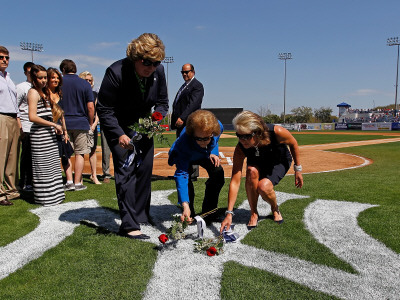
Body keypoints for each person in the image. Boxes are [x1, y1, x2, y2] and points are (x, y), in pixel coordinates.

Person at [97, 33, 168, 240]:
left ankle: (141, 215)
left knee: (144, 170)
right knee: (125, 170)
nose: (151, 67)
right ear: (135, 57)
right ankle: (128, 225)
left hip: (145, 127)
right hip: (118, 125)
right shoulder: (116, 71)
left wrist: (156, 119)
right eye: (147, 62)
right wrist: (119, 134)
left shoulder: (159, 71)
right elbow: (105, 108)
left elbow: (163, 102)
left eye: (156, 63)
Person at [220, 110, 303, 233]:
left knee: (263, 187)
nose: (242, 140)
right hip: (258, 162)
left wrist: (298, 170)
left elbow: (293, 143)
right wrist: (229, 213)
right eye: (239, 136)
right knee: (251, 171)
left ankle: (275, 208)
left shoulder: (276, 132)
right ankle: (254, 213)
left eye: (246, 136)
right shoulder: (240, 148)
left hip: (278, 161)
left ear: (257, 132)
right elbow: (235, 181)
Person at [168, 110, 225, 223]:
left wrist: (213, 151)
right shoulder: (183, 144)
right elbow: (182, 175)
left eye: (206, 138)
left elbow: (216, 140)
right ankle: (189, 212)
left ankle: (209, 212)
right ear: (192, 134)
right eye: (199, 138)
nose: (203, 142)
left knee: (218, 173)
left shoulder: (219, 127)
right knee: (187, 180)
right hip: (188, 153)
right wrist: (185, 205)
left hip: (206, 153)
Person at [28, 65, 65, 206]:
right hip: (39, 135)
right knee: (43, 167)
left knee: (52, 166)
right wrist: (53, 125)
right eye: (40, 78)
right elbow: (32, 116)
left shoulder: (44, 92)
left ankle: (55, 196)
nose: (44, 80)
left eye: (45, 77)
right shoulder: (33, 93)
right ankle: (45, 198)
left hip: (48, 134)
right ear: (33, 78)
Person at [59, 59, 95, 191]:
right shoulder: (84, 84)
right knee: (80, 153)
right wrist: (90, 122)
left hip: (64, 123)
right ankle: (78, 182)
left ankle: (68, 181)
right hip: (81, 122)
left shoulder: (60, 83)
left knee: (66, 153)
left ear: (63, 70)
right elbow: (90, 107)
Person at [171, 63, 204, 181]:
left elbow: (193, 104)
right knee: (182, 147)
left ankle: (192, 174)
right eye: (182, 72)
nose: (184, 74)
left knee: (191, 147)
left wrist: (183, 117)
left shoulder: (197, 85)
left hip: (189, 122)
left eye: (187, 72)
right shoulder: (184, 86)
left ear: (193, 72)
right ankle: (183, 171)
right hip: (181, 123)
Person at [46, 67, 74, 189]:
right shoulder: (44, 93)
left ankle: (69, 182)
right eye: (53, 77)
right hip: (48, 129)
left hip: (60, 130)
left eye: (58, 78)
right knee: (53, 157)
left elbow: (62, 115)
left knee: (66, 155)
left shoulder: (59, 93)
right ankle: (55, 181)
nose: (56, 80)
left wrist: (65, 131)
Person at [0, 46, 21, 206]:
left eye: (7, 57)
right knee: (1, 156)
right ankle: (0, 193)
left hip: (13, 117)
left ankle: (11, 189)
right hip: (1, 117)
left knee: (12, 156)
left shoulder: (8, 77)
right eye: (1, 57)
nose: (4, 60)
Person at [78, 71, 101, 185]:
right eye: (85, 80)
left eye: (90, 80)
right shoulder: (79, 94)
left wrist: (94, 124)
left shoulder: (95, 94)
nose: (88, 82)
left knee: (92, 151)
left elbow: (97, 111)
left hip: (92, 126)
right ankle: (79, 177)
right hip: (81, 125)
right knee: (80, 152)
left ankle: (94, 175)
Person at [16, 61, 35, 192]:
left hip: (37, 127)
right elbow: (15, 107)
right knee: (26, 156)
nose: (32, 74)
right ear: (25, 73)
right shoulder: (22, 87)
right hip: (26, 126)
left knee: (35, 156)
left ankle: (32, 181)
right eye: (29, 72)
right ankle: (23, 181)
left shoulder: (38, 86)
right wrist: (20, 127)